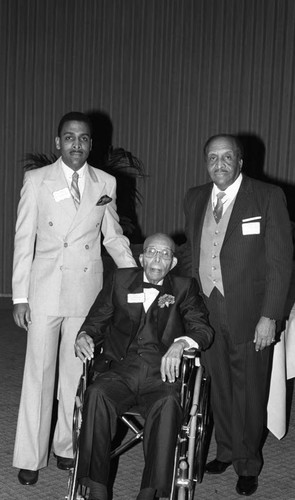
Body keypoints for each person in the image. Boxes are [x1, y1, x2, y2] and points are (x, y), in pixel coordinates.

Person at [12, 111, 137, 486]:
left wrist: (137, 280)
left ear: (91, 144)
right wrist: (20, 296)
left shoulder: (106, 182)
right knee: (38, 374)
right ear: (57, 142)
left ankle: (67, 446)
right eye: (69, 138)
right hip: (45, 289)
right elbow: (23, 241)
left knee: (75, 374)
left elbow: (113, 236)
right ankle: (30, 456)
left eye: (83, 139)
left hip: (85, 292)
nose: (76, 145)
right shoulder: (37, 181)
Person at [180, 134, 293, 496]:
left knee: (250, 391)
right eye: (212, 158)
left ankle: (248, 462)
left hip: (250, 312)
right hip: (207, 309)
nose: (220, 164)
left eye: (227, 157)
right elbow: (191, 254)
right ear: (206, 162)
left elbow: (280, 263)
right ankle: (226, 450)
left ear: (240, 161)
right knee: (220, 387)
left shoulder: (267, 196)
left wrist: (270, 315)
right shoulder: (195, 197)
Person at [74, 232, 214, 500]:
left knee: (168, 403)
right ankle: (96, 487)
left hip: (162, 374)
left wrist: (182, 343)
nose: (157, 258)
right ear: (141, 257)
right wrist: (84, 335)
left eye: (164, 254)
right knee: (95, 394)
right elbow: (96, 320)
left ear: (172, 262)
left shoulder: (185, 287)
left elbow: (202, 329)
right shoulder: (120, 280)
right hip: (120, 370)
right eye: (151, 252)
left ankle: (150, 492)